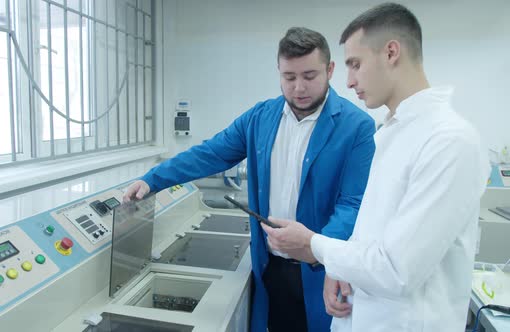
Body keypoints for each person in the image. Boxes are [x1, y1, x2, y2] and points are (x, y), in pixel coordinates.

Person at [123, 27, 376, 332]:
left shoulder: (357, 126)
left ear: (330, 70)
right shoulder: (260, 118)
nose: (299, 88)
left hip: (322, 271)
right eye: (289, 77)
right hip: (270, 267)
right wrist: (153, 180)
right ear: (279, 72)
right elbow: (209, 154)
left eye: (309, 76)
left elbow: (352, 204)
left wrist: (316, 247)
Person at [262, 3, 490, 332]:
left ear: (391, 52)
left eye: (356, 64)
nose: (349, 81)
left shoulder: (450, 141)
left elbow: (398, 269)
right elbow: (371, 232)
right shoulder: (388, 134)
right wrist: (339, 270)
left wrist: (314, 245)